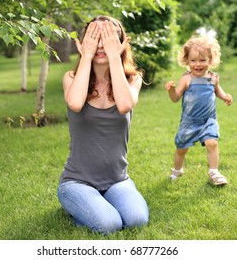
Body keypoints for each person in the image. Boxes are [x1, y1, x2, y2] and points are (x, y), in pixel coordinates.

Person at [57, 15, 149, 235]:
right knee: (110, 225)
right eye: (94, 39)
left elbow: (125, 104)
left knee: (137, 221)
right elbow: (76, 103)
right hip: (77, 182)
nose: (100, 46)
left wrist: (114, 56)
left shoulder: (132, 79)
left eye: (106, 39)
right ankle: (81, 205)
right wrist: (86, 57)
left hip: (117, 180)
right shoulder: (71, 77)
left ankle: (94, 206)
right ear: (83, 43)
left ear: (121, 43)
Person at [165, 35, 233, 185]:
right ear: (187, 60)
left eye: (202, 60)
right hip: (189, 122)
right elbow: (176, 98)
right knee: (181, 148)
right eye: (193, 60)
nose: (197, 64)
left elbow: (217, 91)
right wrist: (172, 90)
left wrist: (225, 96)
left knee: (212, 143)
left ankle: (214, 172)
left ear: (210, 60)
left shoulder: (213, 78)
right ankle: (177, 170)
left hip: (208, 120)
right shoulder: (187, 79)